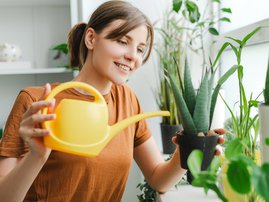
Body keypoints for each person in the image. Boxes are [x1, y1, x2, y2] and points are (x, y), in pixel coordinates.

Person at [0, 1, 225, 201]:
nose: (132, 56)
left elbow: (158, 179)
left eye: (140, 49)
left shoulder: (128, 100)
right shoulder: (36, 101)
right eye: (122, 41)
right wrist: (36, 157)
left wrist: (187, 149)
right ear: (91, 38)